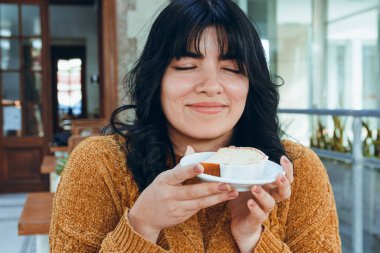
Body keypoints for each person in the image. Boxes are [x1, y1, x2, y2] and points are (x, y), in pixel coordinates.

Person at [49, 0, 342, 252]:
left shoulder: (297, 170)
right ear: (156, 78)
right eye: (187, 67)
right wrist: (142, 224)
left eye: (231, 69)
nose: (211, 86)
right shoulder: (100, 164)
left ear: (251, 83)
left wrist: (252, 238)